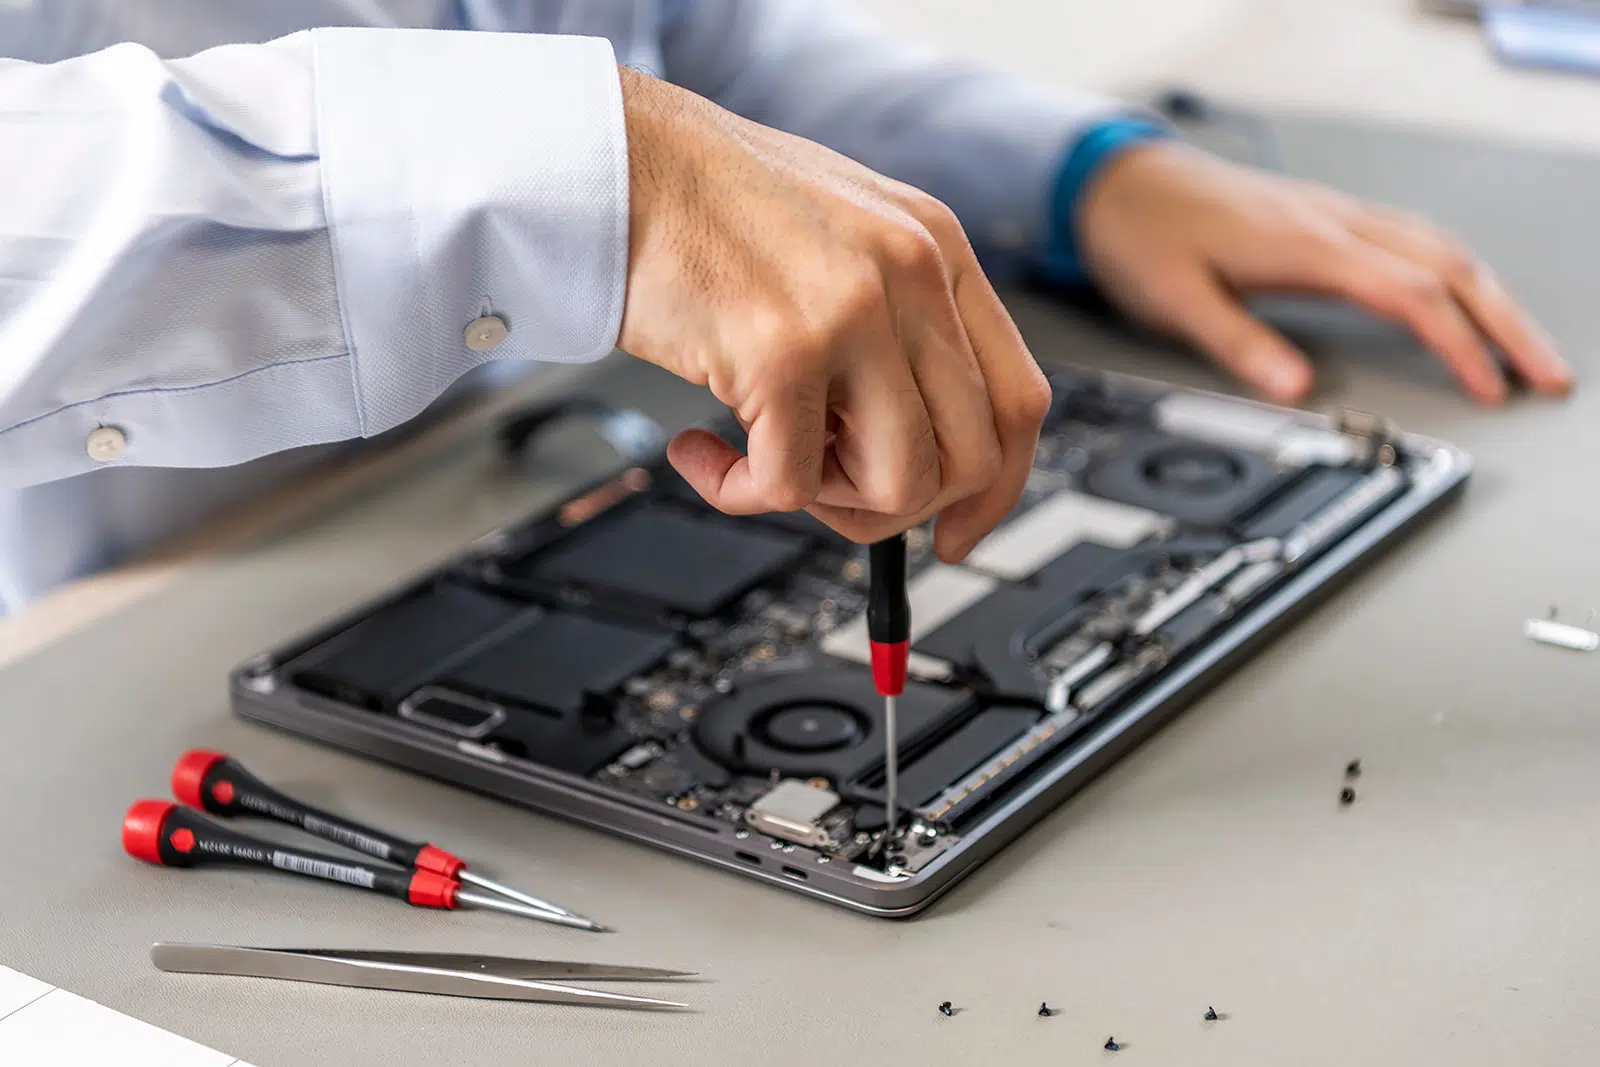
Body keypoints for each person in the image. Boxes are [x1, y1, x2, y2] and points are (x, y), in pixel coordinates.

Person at [0, 1, 1571, 613]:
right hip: (115, 622)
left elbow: (683, 49)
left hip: (475, 488)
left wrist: (1074, 174)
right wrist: (589, 169)